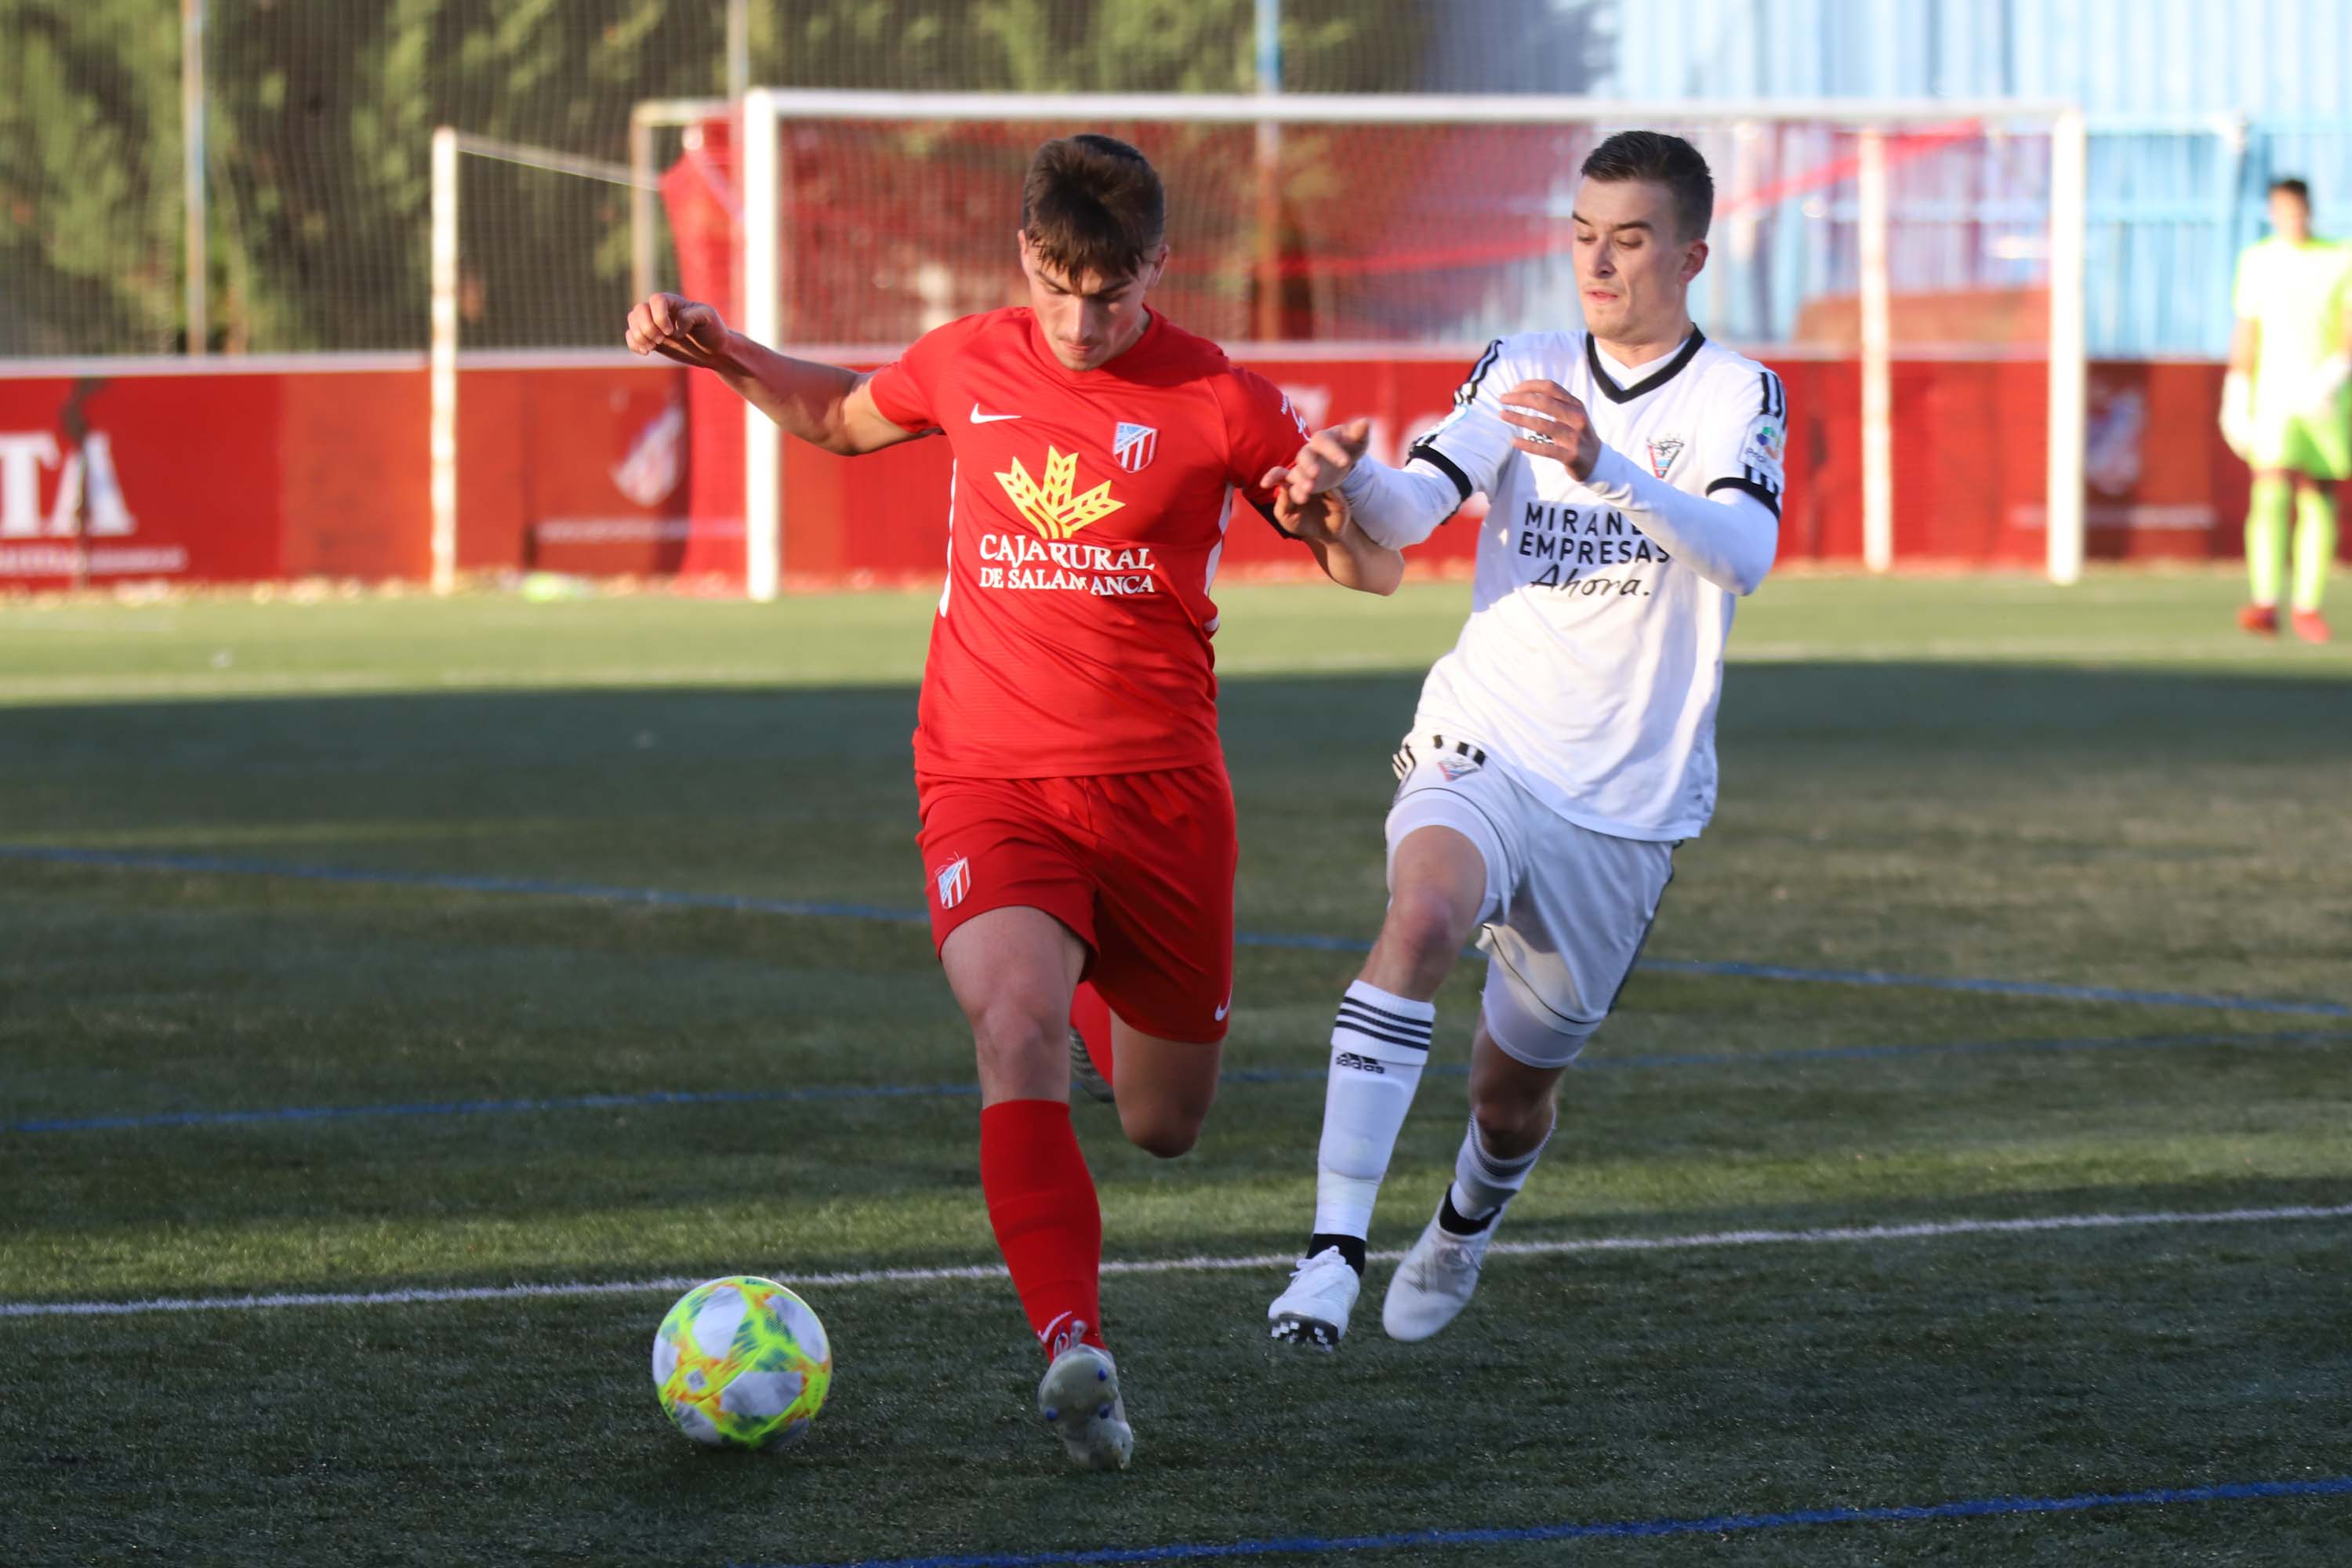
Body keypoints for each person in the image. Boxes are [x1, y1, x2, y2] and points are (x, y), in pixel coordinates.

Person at [626, 133, 1400, 1467]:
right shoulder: (968, 358)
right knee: (1013, 1028)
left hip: (1160, 796)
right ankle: (1072, 1351)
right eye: (1056, 286)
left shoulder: (1222, 397)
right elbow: (843, 416)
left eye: (1110, 293)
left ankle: (1088, 981)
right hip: (986, 774)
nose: (1080, 322)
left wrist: (1332, 515)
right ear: (1025, 258)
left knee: (1163, 1123)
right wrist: (727, 350)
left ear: (1158, 265)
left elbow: (1371, 568)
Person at [1255, 130, 1781, 1349]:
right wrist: (1349, 479)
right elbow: (1414, 509)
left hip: (1627, 796)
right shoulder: (1525, 363)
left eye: (1630, 240)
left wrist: (1605, 465)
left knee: (1509, 1096)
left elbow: (1743, 555)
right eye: (1584, 236)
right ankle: (1331, 1254)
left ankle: (1463, 1225)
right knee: (1423, 915)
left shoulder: (1736, 393)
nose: (1598, 263)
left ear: (1691, 256)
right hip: (1486, 733)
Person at [2222, 177, 2352, 644]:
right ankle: (2264, 600)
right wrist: (2236, 390)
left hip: (2326, 397)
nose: (2291, 219)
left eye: (2297, 210)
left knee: (2318, 494)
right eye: (2282, 211)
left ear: (2309, 210)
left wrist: (2334, 374)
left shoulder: (2340, 258)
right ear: (2272, 214)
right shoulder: (2258, 261)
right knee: (2270, 489)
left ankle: (2307, 605)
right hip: (2274, 395)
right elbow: (2247, 328)